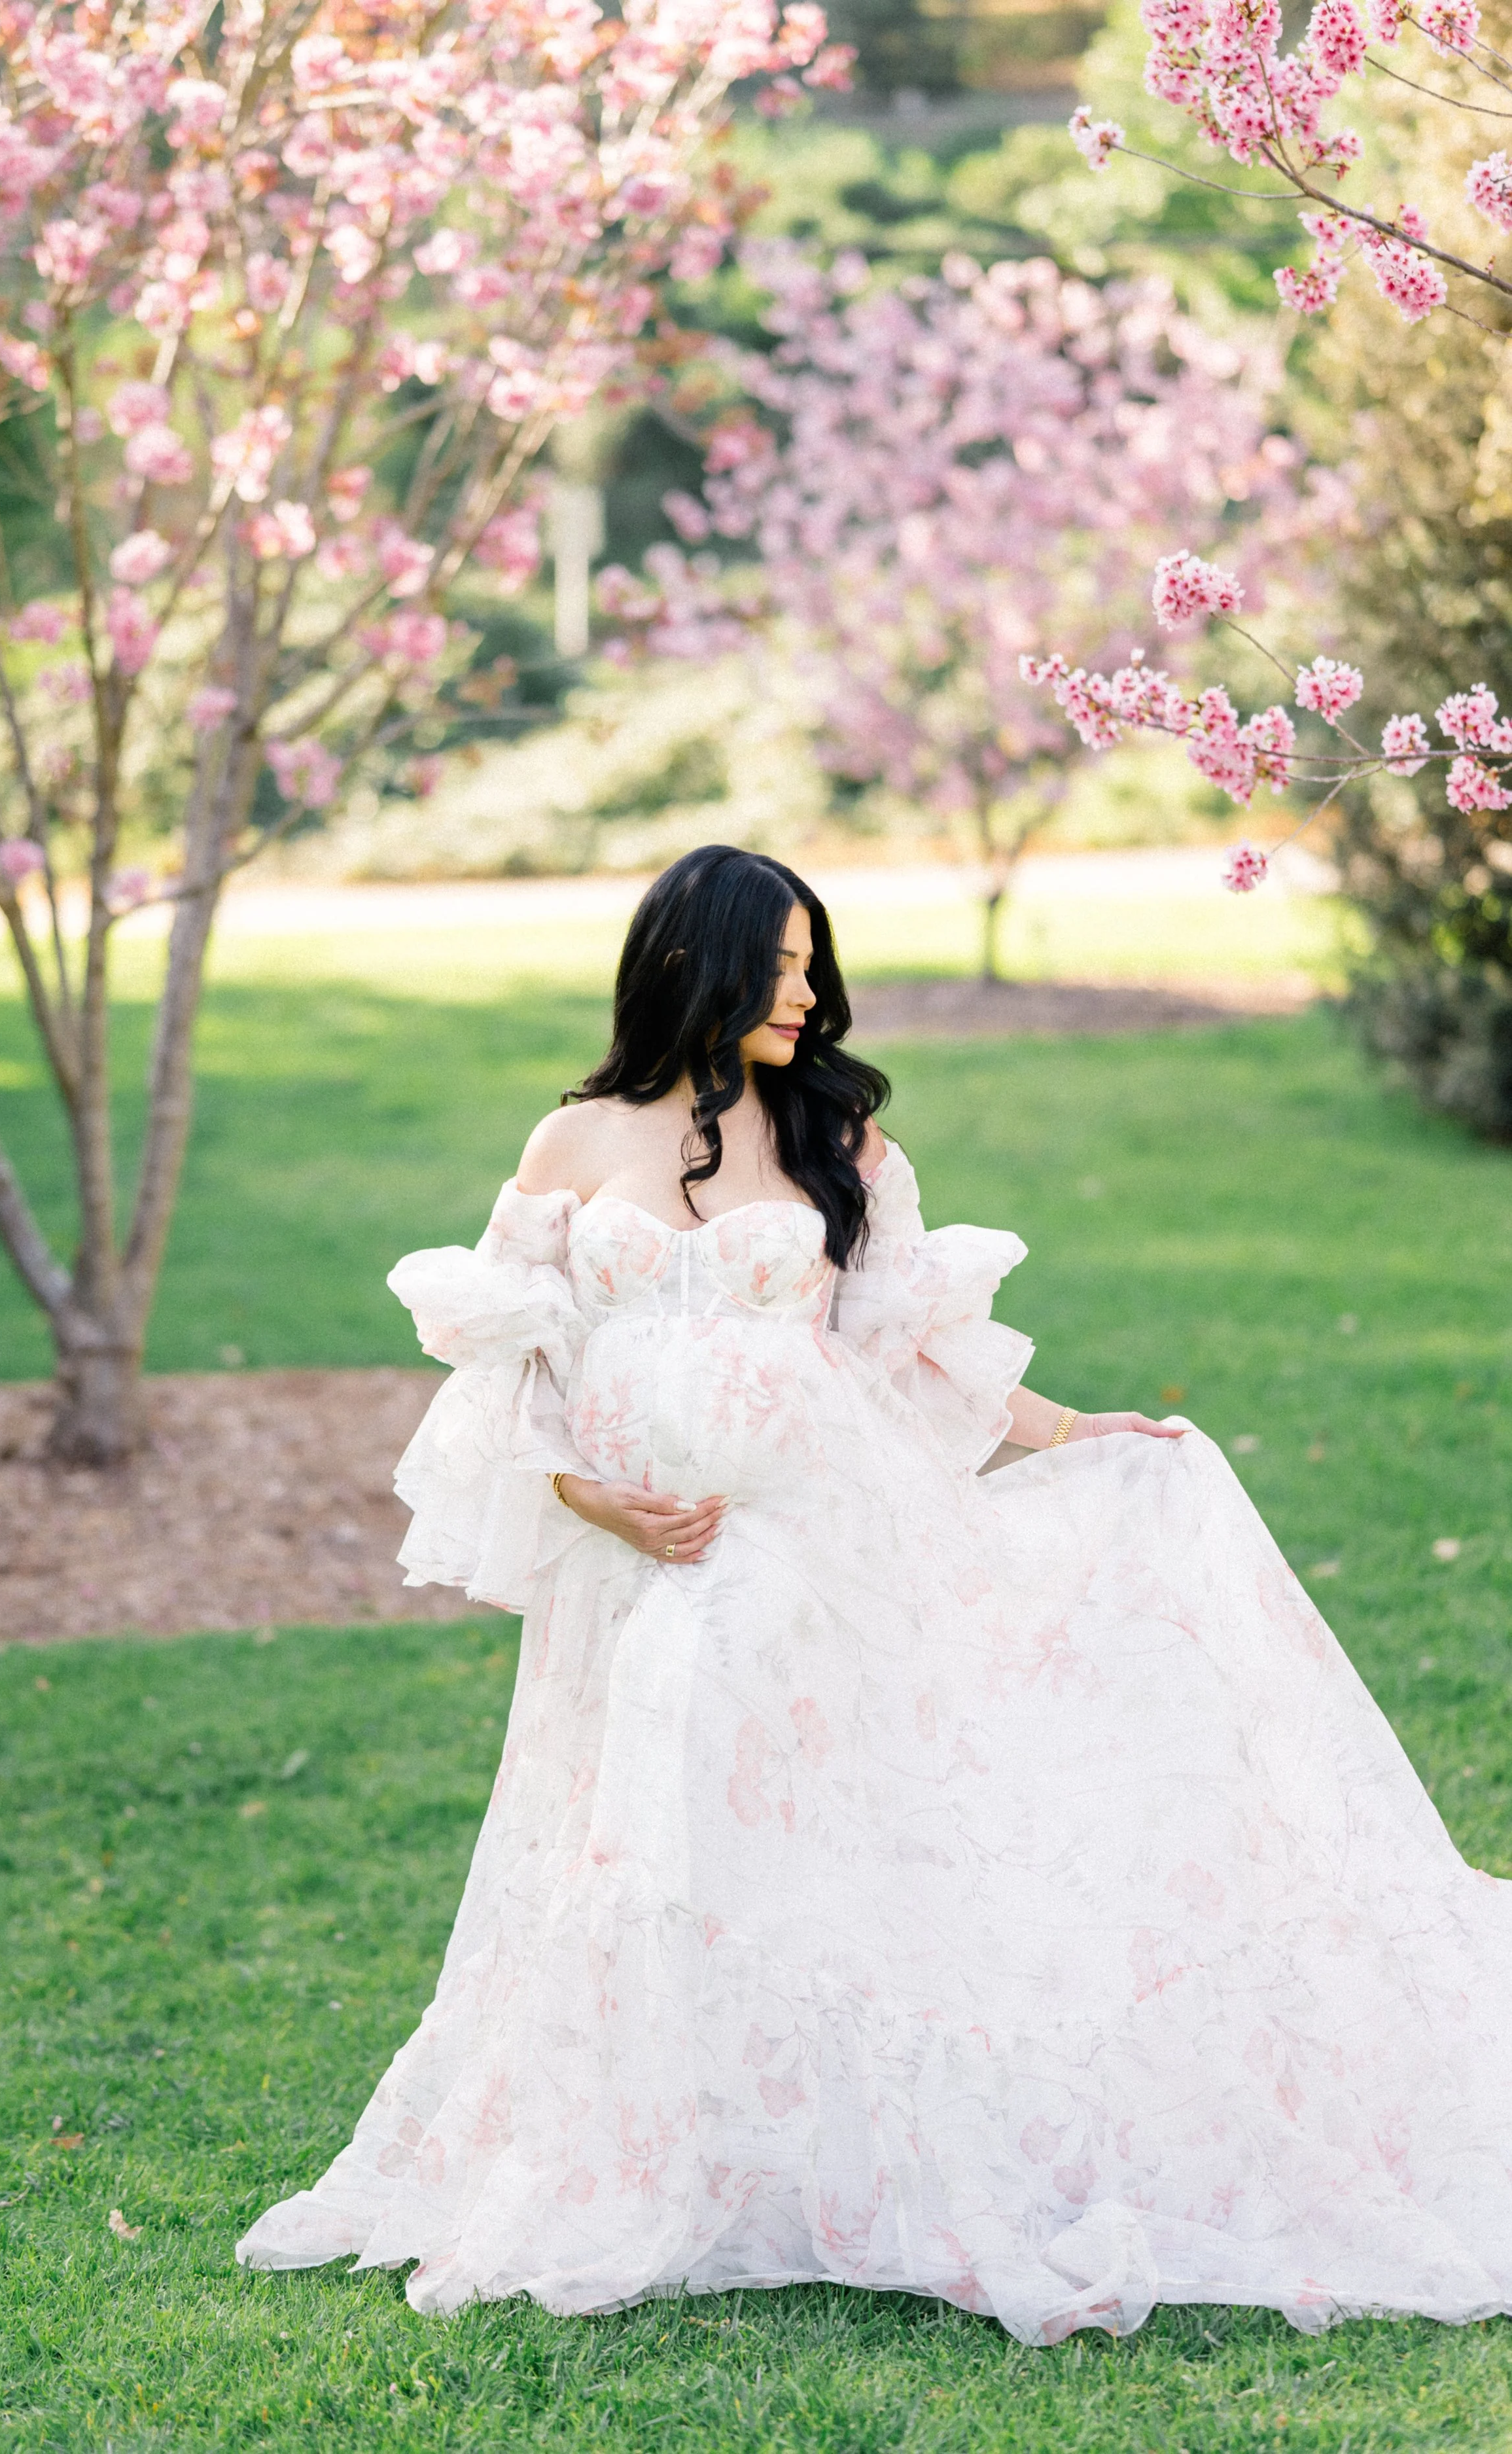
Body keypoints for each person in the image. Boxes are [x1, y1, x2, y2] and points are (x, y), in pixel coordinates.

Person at [238, 844, 1512, 2344]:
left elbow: (906, 1349)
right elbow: (516, 1370)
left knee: (782, 1793)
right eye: (773, 965)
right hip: (650, 1556)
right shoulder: (574, 1144)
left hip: (823, 1533)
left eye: (808, 963)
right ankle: (679, 2135)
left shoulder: (835, 1133)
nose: (804, 992)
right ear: (689, 966)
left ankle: (824, 2139)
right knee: (659, 1813)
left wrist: (1077, 1431)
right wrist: (595, 1498)